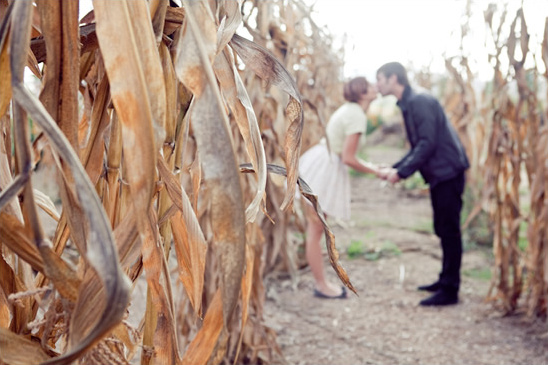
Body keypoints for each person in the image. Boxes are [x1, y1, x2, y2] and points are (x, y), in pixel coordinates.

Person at [376, 62, 470, 306]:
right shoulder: (411, 101)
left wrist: (401, 172)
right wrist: (396, 167)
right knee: (443, 228)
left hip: (448, 172)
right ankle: (445, 280)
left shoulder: (418, 101)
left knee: (449, 231)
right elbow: (419, 145)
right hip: (441, 174)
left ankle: (450, 290)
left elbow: (427, 144)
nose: (377, 85)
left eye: (380, 80)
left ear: (393, 78)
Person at [299, 76, 381, 299]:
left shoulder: (350, 110)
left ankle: (321, 282)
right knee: (316, 230)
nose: (376, 87)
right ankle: (321, 285)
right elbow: (349, 158)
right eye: (371, 85)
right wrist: (378, 171)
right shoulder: (356, 115)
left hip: (321, 161)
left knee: (315, 229)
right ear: (362, 93)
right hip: (326, 167)